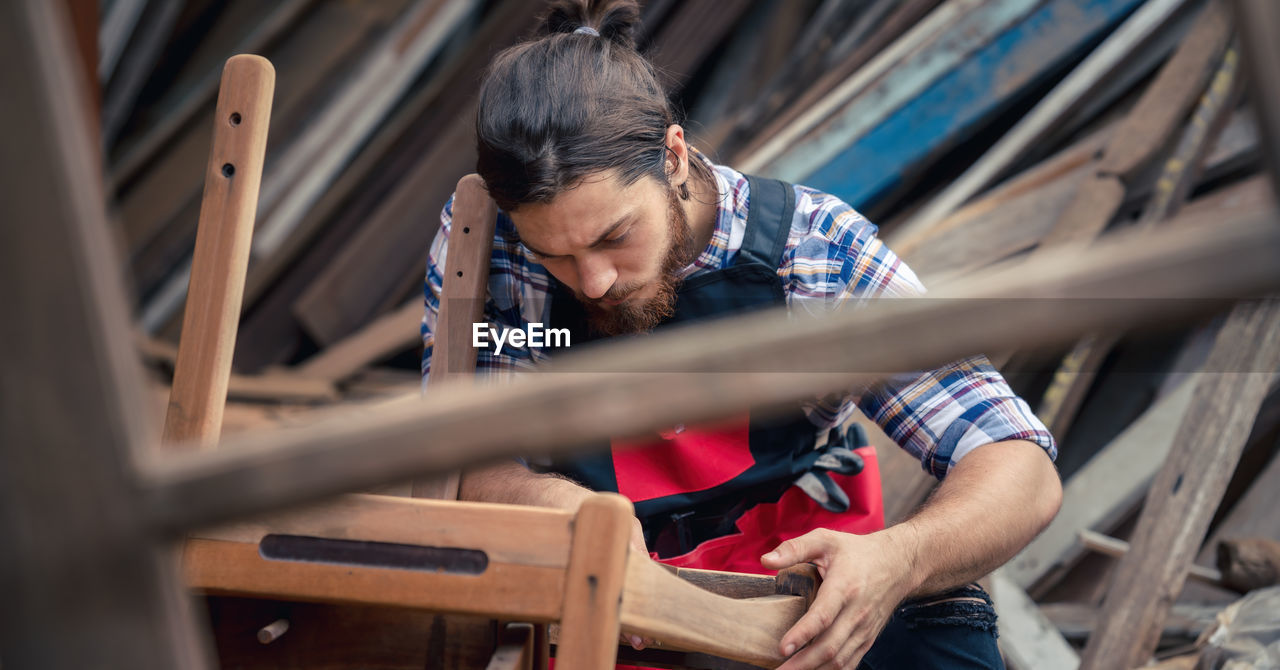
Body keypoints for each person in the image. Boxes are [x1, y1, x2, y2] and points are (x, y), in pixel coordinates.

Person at [421, 1, 1062, 667]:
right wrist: (553, 503)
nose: (593, 282)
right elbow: (458, 448)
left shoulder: (814, 255)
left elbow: (1019, 465)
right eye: (556, 254)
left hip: (794, 598)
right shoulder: (491, 245)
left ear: (672, 156)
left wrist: (899, 560)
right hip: (604, 597)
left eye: (615, 236)